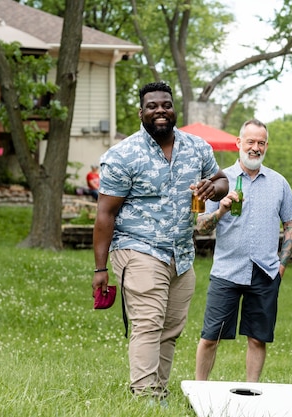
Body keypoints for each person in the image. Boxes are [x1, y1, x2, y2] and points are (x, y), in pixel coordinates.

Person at [91, 81, 229, 404]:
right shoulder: (123, 155)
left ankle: (159, 392)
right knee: (148, 323)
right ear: (141, 112)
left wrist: (215, 188)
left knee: (170, 328)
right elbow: (104, 215)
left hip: (181, 253)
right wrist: (100, 269)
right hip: (138, 248)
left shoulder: (197, 147)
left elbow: (221, 180)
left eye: (165, 104)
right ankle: (145, 396)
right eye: (152, 106)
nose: (160, 111)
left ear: (174, 108)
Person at [194, 119, 292, 382]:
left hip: (265, 272)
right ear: (239, 143)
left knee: (257, 339)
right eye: (250, 142)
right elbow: (201, 226)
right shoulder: (220, 181)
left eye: (261, 143)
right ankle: (199, 391)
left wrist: (281, 265)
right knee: (210, 337)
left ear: (266, 146)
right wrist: (221, 209)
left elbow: (291, 224)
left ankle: (251, 392)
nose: (255, 148)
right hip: (227, 270)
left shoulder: (278, 182)